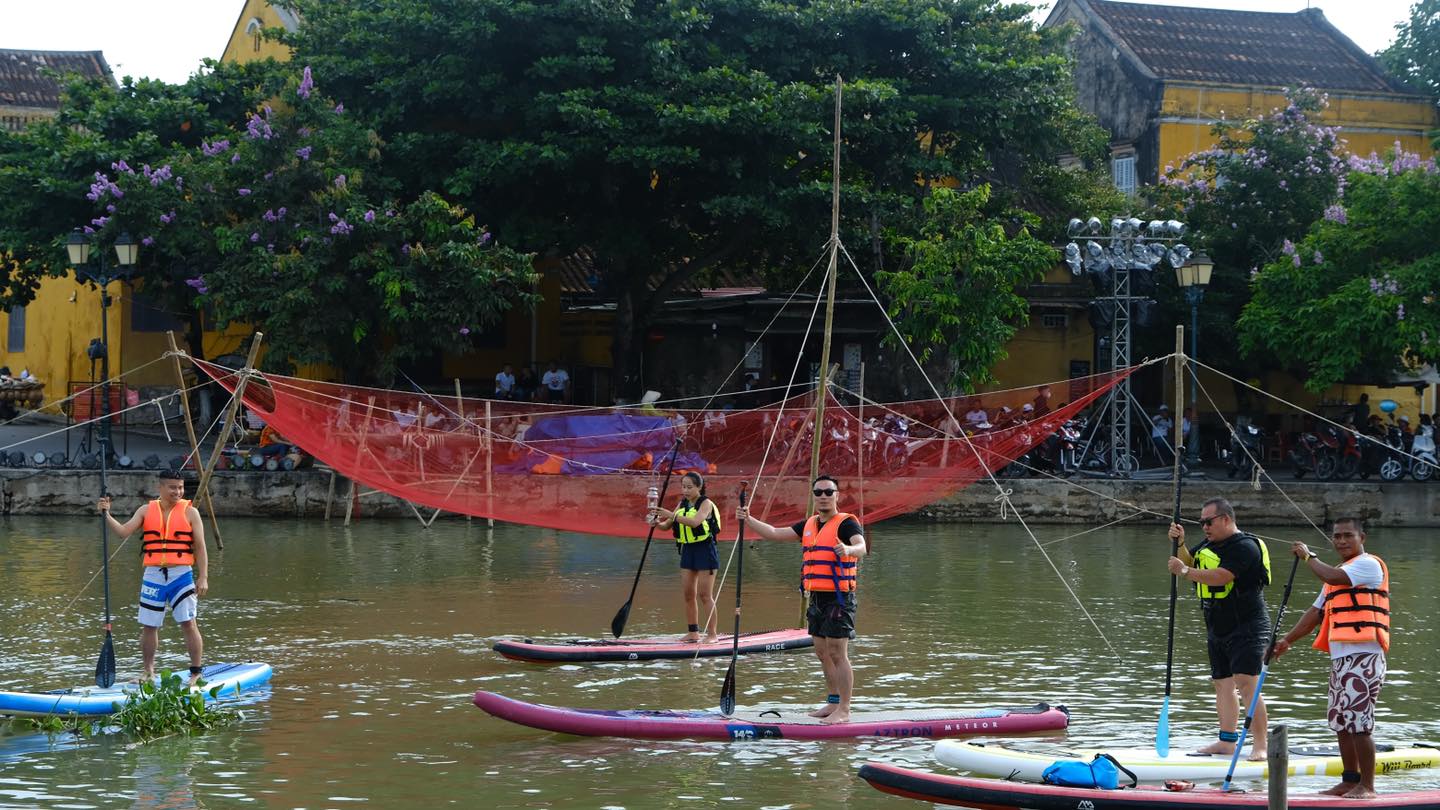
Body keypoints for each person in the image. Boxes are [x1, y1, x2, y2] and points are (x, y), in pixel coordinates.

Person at [736, 474, 868, 724]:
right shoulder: (809, 524)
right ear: (813, 496)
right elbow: (775, 533)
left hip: (839, 598)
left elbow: (861, 547)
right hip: (816, 597)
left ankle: (845, 708)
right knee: (822, 652)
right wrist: (748, 519)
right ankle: (832, 703)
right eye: (818, 492)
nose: (823, 497)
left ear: (837, 495)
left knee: (838, 653)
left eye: (829, 492)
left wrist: (849, 550)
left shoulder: (847, 524)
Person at [1273, 518, 1389, 799]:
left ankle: (1368, 786)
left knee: (1359, 723)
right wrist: (1286, 640)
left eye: (1348, 535)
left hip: (1365, 657)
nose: (1341, 541)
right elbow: (1315, 613)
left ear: (1362, 537)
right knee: (1341, 721)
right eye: (1336, 536)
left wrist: (1308, 556)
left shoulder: (1367, 565)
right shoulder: (1336, 573)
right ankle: (1350, 780)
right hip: (1341, 660)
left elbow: (1332, 578)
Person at [1167, 497, 1273, 760]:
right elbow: (1190, 561)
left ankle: (1261, 745)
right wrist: (1179, 543)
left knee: (1247, 684)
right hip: (1217, 624)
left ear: (1226, 519)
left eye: (1208, 521)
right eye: (1201, 522)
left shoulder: (1245, 547)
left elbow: (1222, 575)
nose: (1204, 526)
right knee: (1222, 683)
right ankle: (1227, 741)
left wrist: (1184, 572)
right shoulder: (1209, 544)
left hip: (1248, 624)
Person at [96, 469, 209, 686]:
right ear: (161, 487)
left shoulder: (191, 512)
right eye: (173, 487)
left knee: (188, 623)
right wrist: (106, 514)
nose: (178, 491)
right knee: (149, 625)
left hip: (181, 574)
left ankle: (196, 672)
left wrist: (203, 577)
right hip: (153, 575)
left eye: (181, 487)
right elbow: (122, 532)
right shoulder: (146, 510)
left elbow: (201, 548)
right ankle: (148, 672)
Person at [651, 472, 721, 643]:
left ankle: (712, 635)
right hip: (688, 550)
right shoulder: (682, 504)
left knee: (705, 595)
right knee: (688, 594)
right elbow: (667, 526)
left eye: (690, 487)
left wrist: (670, 514)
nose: (686, 490)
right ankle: (693, 633)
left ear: (699, 487)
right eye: (683, 487)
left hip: (705, 550)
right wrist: (656, 524)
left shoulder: (706, 503)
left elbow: (695, 522)